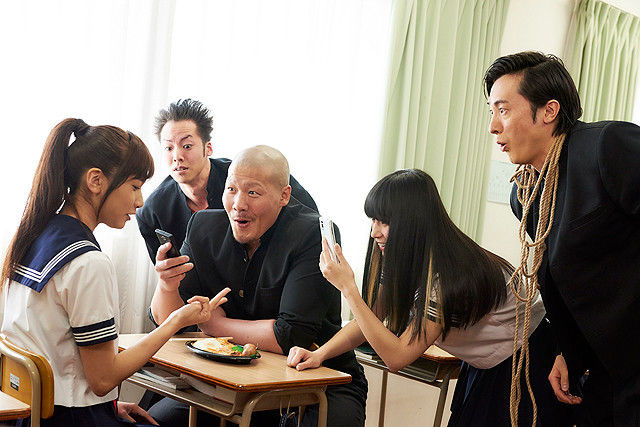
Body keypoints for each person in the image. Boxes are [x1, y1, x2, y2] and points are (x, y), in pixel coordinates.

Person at [287, 169, 572, 426]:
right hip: (490, 361)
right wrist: (319, 354)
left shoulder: (446, 278)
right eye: (373, 220)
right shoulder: (401, 259)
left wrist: (348, 289)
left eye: (384, 222)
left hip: (527, 359)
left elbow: (397, 357)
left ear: (413, 223)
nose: (374, 232)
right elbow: (369, 319)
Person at [0, 118, 230, 427]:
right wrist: (176, 321)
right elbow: (104, 379)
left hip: (37, 414)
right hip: (74, 420)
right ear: (96, 181)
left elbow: (55, 356)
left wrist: (110, 406)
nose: (140, 201)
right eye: (134, 187)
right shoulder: (87, 263)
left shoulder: (34, 237)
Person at [148, 145, 367, 427]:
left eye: (253, 192)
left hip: (317, 378)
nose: (238, 204)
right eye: (231, 189)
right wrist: (167, 285)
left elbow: (290, 336)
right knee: (156, 421)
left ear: (284, 196)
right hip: (230, 377)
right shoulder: (203, 226)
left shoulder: (310, 234)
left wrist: (217, 325)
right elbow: (169, 321)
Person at [485, 51, 640, 425]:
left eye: (503, 110)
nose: (493, 126)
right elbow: (565, 285)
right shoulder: (526, 196)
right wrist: (567, 351)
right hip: (604, 373)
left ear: (549, 111)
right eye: (491, 112)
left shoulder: (607, 146)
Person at [135, 98, 317, 262]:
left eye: (187, 146)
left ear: (208, 148)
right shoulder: (152, 211)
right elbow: (170, 274)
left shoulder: (246, 175)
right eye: (168, 148)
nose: (177, 156)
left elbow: (310, 221)